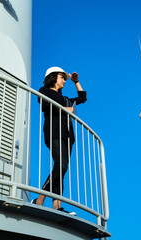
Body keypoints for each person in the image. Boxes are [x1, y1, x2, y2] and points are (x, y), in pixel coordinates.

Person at [32, 66, 87, 214]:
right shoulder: (44, 90)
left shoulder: (66, 99)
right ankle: (40, 199)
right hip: (54, 131)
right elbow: (46, 106)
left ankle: (57, 207)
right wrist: (68, 110)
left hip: (68, 135)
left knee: (61, 169)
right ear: (53, 77)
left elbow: (82, 98)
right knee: (61, 166)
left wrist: (76, 82)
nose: (64, 80)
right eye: (62, 77)